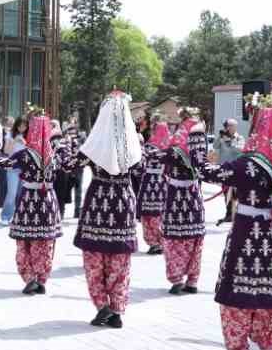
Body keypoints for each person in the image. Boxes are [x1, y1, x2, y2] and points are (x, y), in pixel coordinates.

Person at [197, 103, 272, 350]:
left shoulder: (248, 163)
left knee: (235, 301)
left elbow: (209, 173)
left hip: (248, 239)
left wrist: (195, 146)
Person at [73, 92, 142, 328]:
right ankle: (117, 310)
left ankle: (103, 306)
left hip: (98, 204)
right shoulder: (134, 143)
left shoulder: (94, 144)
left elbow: (70, 165)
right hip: (123, 202)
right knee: (120, 260)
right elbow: (141, 169)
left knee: (94, 258)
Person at [0, 114, 74, 294]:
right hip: (48, 201)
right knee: (46, 242)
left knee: (24, 241)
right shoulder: (55, 153)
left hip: (29, 199)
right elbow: (69, 164)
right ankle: (41, 279)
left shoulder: (25, 154)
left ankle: (29, 277)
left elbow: (6, 164)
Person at [160, 111, 209, 294]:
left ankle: (177, 278)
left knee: (174, 240)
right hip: (194, 196)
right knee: (195, 239)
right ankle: (193, 281)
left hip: (175, 198)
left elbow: (161, 157)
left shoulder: (175, 148)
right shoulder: (199, 149)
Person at [136, 121, 169, 255]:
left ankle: (153, 243)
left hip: (148, 183)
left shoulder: (148, 146)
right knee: (159, 215)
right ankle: (162, 242)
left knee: (147, 215)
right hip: (162, 183)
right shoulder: (169, 148)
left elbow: (139, 166)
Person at [213, 117, 243, 224]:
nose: (228, 128)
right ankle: (229, 214)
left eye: (230, 126)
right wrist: (220, 137)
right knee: (226, 192)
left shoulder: (239, 138)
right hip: (223, 168)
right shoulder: (223, 137)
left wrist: (229, 142)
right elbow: (215, 146)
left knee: (236, 193)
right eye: (227, 126)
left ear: (235, 127)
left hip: (235, 169)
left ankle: (237, 214)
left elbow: (240, 150)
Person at [0, 115, 25, 224]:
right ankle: (6, 216)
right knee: (12, 192)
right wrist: (15, 140)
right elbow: (6, 151)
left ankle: (19, 216)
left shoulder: (29, 135)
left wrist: (25, 142)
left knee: (23, 193)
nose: (22, 128)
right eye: (20, 126)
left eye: (25, 126)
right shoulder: (10, 135)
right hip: (13, 167)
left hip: (25, 168)